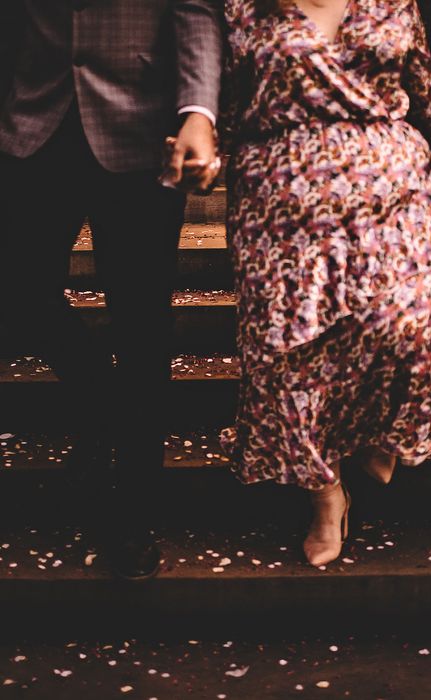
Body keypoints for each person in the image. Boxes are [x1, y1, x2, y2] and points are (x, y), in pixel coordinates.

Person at [220, 0, 431, 567]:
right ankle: (325, 493)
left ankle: (379, 428)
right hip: (282, 203)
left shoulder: (392, 2)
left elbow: (424, 79)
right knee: (288, 356)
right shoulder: (244, 8)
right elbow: (220, 94)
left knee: (403, 319)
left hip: (392, 192)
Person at [0, 1, 223, 580]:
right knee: (19, 292)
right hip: (32, 123)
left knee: (141, 326)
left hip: (141, 127)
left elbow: (196, 11)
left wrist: (198, 111)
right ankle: (104, 408)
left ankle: (135, 514)